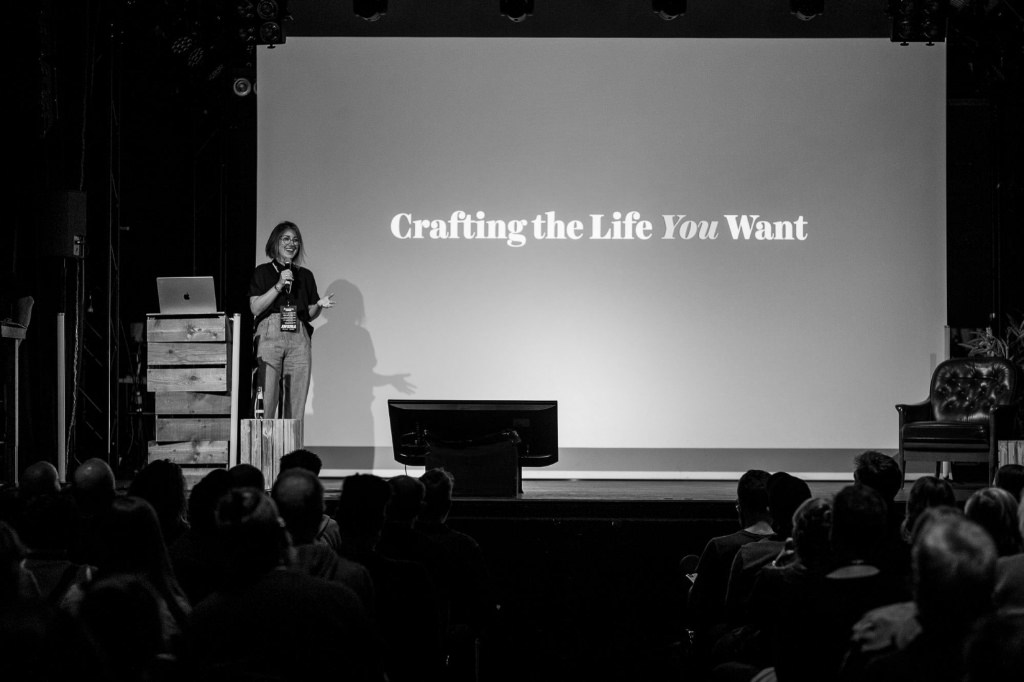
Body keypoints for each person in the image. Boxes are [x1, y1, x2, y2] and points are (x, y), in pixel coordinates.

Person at [248, 221, 334, 421]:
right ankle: (264, 451)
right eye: (286, 238)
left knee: (295, 407)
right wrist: (279, 285)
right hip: (270, 334)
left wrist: (319, 304)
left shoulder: (305, 275)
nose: (291, 243)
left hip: (298, 338)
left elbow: (309, 313)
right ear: (275, 242)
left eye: (295, 240)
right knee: (265, 402)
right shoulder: (263, 272)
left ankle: (292, 452)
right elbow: (255, 308)